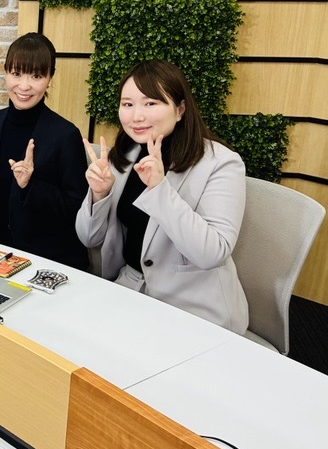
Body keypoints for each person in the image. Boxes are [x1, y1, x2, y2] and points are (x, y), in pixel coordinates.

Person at [76, 59, 248, 333]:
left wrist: (159, 189)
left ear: (180, 109)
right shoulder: (125, 154)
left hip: (194, 308)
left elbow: (211, 253)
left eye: (151, 103)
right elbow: (89, 238)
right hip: (131, 289)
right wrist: (99, 195)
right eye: (128, 104)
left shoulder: (221, 163)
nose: (136, 116)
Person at [0, 32, 88, 269]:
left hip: (43, 258)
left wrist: (31, 186)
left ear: (49, 78)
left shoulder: (65, 135)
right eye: (16, 74)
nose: (24, 86)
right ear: (6, 73)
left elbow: (76, 208)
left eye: (36, 76)